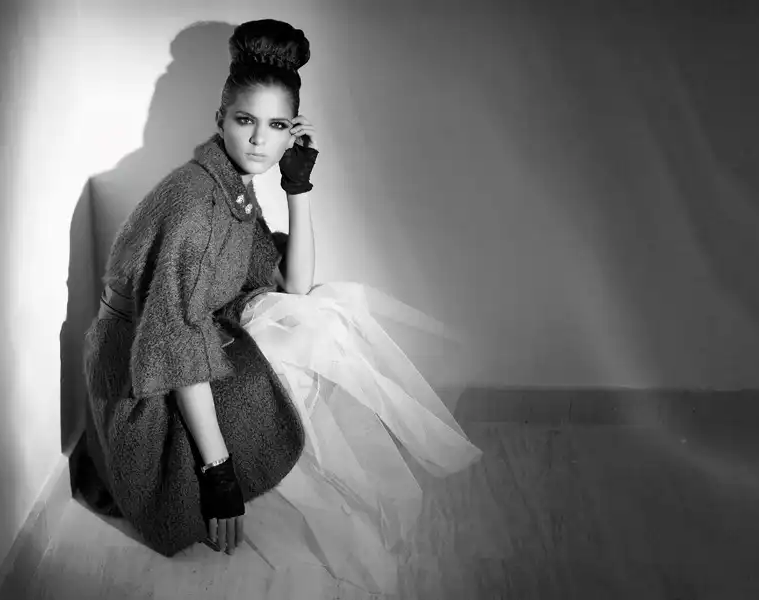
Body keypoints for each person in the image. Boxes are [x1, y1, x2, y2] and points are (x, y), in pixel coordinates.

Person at [83, 18, 482, 597]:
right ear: (220, 119)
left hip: (183, 344)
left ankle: (280, 470)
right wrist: (218, 475)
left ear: (291, 132)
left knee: (322, 315)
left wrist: (298, 189)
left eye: (275, 126)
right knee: (302, 344)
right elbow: (172, 344)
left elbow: (295, 285)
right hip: (138, 385)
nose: (258, 141)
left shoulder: (232, 187)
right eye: (245, 121)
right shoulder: (197, 204)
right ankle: (237, 470)